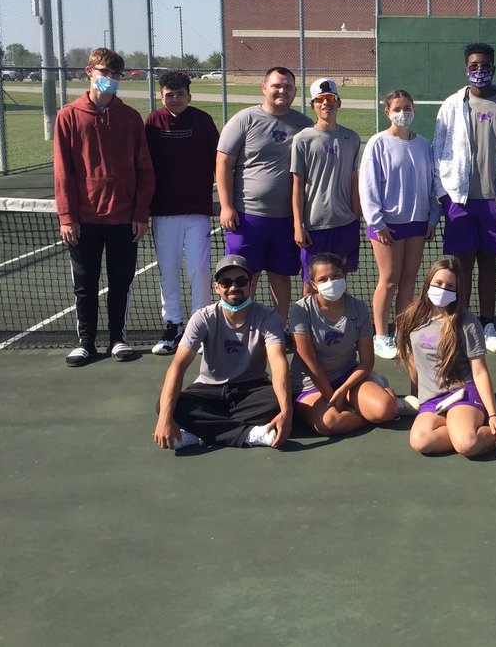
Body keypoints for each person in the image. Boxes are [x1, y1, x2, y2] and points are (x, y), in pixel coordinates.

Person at [55, 47, 154, 367]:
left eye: (115, 74)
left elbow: (144, 170)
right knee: (85, 286)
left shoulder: (130, 118)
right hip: (83, 221)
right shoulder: (69, 116)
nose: (109, 78)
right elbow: (63, 172)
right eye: (104, 72)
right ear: (89, 72)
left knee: (120, 283)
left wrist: (140, 213)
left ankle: (117, 339)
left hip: (124, 220)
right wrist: (68, 217)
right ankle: (85, 343)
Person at [395, 257, 496, 457]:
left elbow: (479, 371)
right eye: (438, 283)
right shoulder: (411, 318)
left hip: (462, 393)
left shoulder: (467, 322)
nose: (443, 289)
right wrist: (417, 397)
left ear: (457, 291)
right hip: (432, 399)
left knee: (467, 444)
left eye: (450, 286)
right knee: (421, 441)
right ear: (428, 283)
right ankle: (466, 427)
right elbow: (413, 360)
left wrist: (493, 414)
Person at [433, 43, 496, 354]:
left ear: (493, 68)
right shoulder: (452, 105)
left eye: (485, 65)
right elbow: (438, 150)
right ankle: (458, 323)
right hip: (459, 199)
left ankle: (487, 325)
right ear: (466, 69)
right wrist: (444, 196)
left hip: (494, 200)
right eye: (474, 66)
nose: (479, 71)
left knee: (488, 265)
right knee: (460, 267)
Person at [152, 254, 291, 450]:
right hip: (208, 389)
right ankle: (249, 434)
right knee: (166, 405)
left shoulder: (268, 317)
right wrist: (164, 418)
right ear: (216, 287)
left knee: (279, 401)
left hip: (251, 388)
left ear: (251, 284)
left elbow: (278, 363)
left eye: (241, 281)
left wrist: (287, 412)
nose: (234, 287)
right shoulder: (203, 318)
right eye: (226, 282)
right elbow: (178, 366)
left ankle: (201, 434)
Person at [216, 67, 312, 324]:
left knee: (280, 277)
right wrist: (226, 206)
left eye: (288, 87)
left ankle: (279, 329)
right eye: (276, 86)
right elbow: (223, 163)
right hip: (247, 217)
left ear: (294, 90)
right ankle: (240, 328)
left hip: (286, 219)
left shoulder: (304, 124)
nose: (282, 91)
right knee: (243, 277)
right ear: (264, 88)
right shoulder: (244, 119)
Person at [289, 252, 414, 437]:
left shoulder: (359, 308)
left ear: (344, 275)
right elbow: (310, 363)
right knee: (330, 423)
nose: (331, 282)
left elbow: (367, 362)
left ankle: (385, 403)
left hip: (347, 377)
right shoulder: (300, 310)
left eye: (336, 276)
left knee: (385, 410)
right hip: (310, 385)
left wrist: (343, 390)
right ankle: (373, 409)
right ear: (314, 285)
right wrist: (332, 396)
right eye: (323, 279)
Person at [359, 88, 439, 361]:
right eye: (397, 108)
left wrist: (432, 217)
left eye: (407, 108)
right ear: (387, 112)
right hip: (387, 225)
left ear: (414, 109)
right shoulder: (377, 143)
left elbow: (432, 184)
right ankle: (381, 336)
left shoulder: (424, 145)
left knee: (408, 280)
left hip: (417, 222)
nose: (403, 113)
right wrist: (377, 222)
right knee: (389, 279)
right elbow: (368, 186)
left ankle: (403, 332)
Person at [145, 70, 220, 355]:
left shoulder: (203, 121)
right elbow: (143, 163)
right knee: (169, 271)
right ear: (161, 96)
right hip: (163, 213)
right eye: (169, 95)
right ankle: (172, 325)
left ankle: (199, 326)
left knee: (199, 269)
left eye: (180, 94)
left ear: (189, 95)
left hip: (197, 211)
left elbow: (219, 161)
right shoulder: (153, 122)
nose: (175, 99)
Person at [291, 77, 362, 294]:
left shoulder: (352, 138)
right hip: (315, 226)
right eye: (320, 99)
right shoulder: (302, 139)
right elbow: (297, 185)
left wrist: (356, 218)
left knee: (339, 281)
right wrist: (298, 225)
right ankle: (307, 317)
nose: (325, 103)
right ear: (313, 105)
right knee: (312, 282)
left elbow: (353, 180)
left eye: (330, 98)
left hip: (346, 224)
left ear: (338, 103)